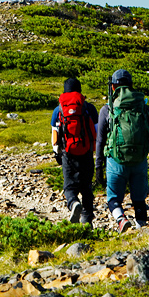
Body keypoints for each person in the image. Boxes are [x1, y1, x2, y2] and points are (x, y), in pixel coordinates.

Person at [95, 69, 149, 231]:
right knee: (139, 200)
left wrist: (98, 167)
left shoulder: (107, 109)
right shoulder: (143, 107)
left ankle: (121, 219)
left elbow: (100, 140)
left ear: (113, 86)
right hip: (139, 160)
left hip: (116, 161)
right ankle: (142, 230)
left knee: (114, 199)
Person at [51, 77, 99, 224]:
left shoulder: (58, 109)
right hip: (86, 152)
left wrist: (57, 153)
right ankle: (87, 220)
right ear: (80, 90)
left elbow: (54, 135)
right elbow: (96, 133)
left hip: (68, 153)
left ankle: (73, 203)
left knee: (69, 185)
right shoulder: (89, 108)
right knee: (87, 187)